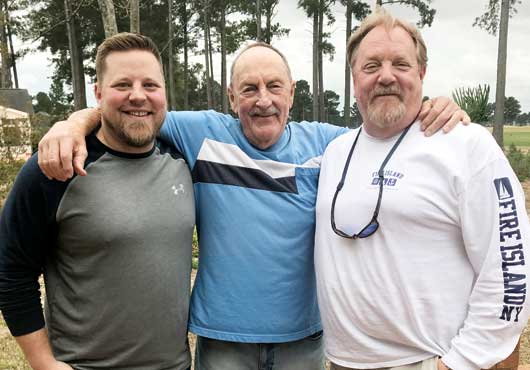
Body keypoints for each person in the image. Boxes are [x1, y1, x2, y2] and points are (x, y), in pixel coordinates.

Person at [37, 41, 469, 370]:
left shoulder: (329, 144)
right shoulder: (201, 134)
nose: (263, 99)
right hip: (223, 344)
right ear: (231, 97)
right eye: (249, 88)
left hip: (304, 340)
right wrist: (73, 123)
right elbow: (133, 109)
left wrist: (436, 107)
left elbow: (387, 126)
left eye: (273, 86)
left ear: (292, 93)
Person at [314, 9, 530, 370]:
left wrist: (463, 361)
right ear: (354, 80)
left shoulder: (466, 145)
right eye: (371, 66)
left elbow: (510, 266)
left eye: (400, 64)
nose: (386, 76)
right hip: (343, 362)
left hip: (432, 359)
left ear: (422, 73)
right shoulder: (335, 153)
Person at [0, 33, 195, 370]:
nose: (138, 96)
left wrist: (75, 120)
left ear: (164, 93)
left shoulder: (184, 160)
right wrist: (43, 362)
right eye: (123, 84)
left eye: (150, 84)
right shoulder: (57, 167)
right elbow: (11, 271)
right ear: (99, 93)